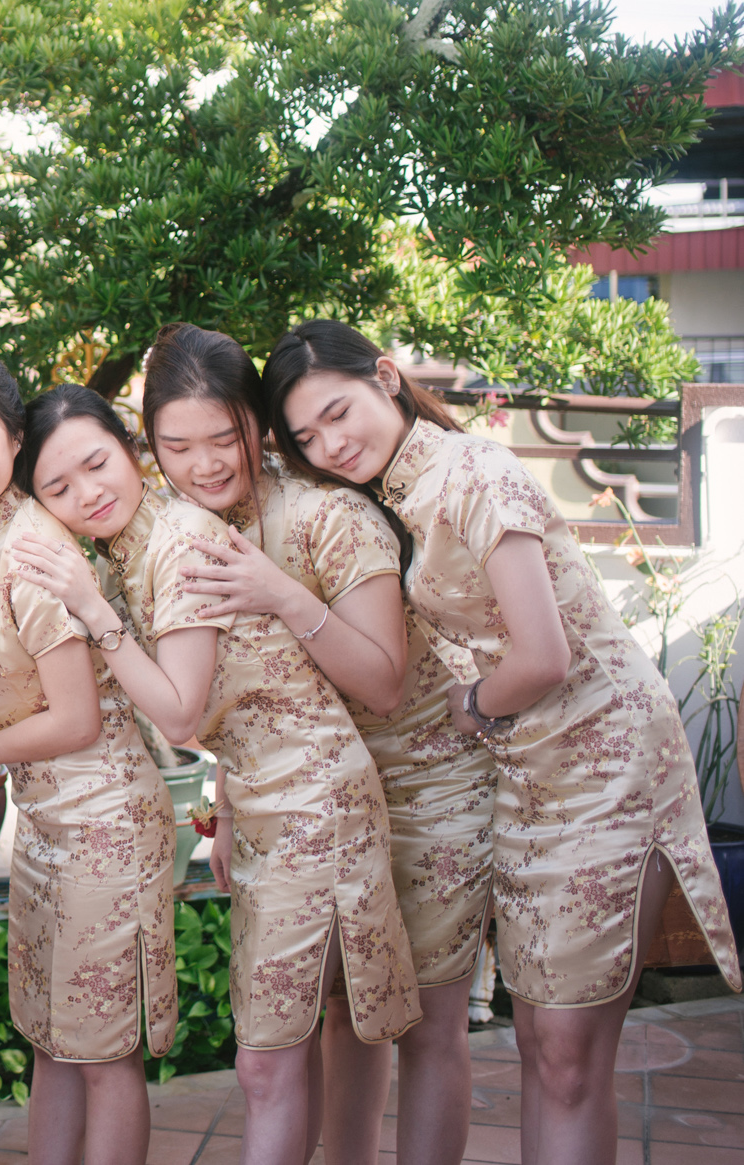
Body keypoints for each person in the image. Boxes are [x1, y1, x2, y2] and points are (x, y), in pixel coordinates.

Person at [264, 318, 743, 1165]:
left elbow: (544, 655)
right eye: (307, 436)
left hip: (608, 767)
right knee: (542, 1047)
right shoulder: (407, 490)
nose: (330, 444)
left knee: (567, 1055)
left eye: (338, 413)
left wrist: (473, 703)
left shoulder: (475, 471)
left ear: (385, 377)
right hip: (528, 779)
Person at [16, 374, 418, 1165]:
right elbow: (255, 685)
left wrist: (94, 612)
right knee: (288, 1040)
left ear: (131, 449)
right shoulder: (135, 543)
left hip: (315, 802)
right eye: (57, 488)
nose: (86, 493)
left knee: (267, 1058)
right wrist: (226, 808)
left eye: (96, 464)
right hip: (268, 799)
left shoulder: (180, 540)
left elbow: (179, 713)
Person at [147, 324, 494, 1165]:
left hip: (427, 785)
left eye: (224, 436)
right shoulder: (200, 527)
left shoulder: (328, 513)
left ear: (257, 423)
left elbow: (382, 682)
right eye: (177, 446)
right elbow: (270, 695)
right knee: (346, 1009)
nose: (204, 464)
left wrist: (280, 593)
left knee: (428, 1026)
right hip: (318, 804)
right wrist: (228, 808)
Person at [0, 346, 176, 1165]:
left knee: (102, 1052)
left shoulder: (32, 549)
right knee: (54, 1037)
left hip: (106, 823)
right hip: (50, 820)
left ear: (10, 434)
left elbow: (75, 718)